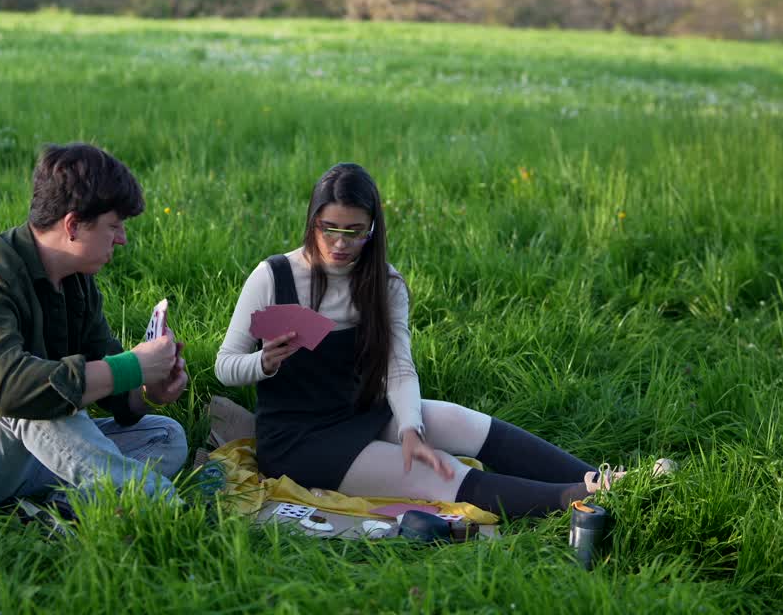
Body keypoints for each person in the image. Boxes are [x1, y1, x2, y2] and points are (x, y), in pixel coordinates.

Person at [214, 163, 628, 518]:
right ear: (312, 222)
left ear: (373, 229)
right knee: (436, 472)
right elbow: (224, 364)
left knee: (459, 420)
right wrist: (263, 363)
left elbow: (399, 367)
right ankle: (580, 499)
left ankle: (602, 476)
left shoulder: (385, 283)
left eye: (355, 231)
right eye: (329, 229)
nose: (340, 243)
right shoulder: (273, 276)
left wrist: (411, 427)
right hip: (298, 440)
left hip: (360, 411)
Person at [0, 143, 190, 511]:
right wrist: (131, 366)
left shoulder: (76, 280)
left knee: (165, 436)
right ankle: (163, 508)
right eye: (114, 225)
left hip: (21, 457)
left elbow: (104, 374)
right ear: (73, 225)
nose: (122, 238)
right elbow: (8, 391)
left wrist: (147, 388)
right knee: (28, 393)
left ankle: (57, 507)